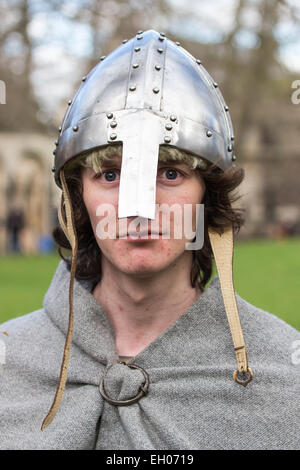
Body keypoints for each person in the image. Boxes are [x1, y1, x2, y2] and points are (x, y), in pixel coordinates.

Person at [0, 30, 299, 450]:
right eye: (109, 174)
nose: (137, 207)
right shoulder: (9, 362)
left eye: (171, 173)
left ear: (207, 194)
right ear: (77, 198)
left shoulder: (284, 372)